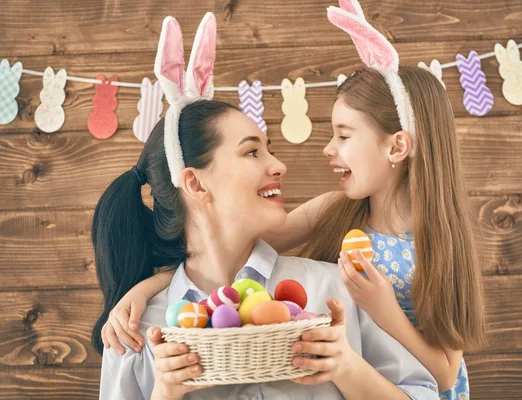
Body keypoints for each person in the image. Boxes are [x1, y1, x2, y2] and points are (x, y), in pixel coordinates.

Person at [94, 12, 438, 400]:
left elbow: (427, 390)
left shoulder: (333, 292)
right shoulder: (135, 332)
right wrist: (166, 393)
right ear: (194, 182)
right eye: (252, 152)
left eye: (269, 149)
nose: (279, 165)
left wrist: (346, 367)